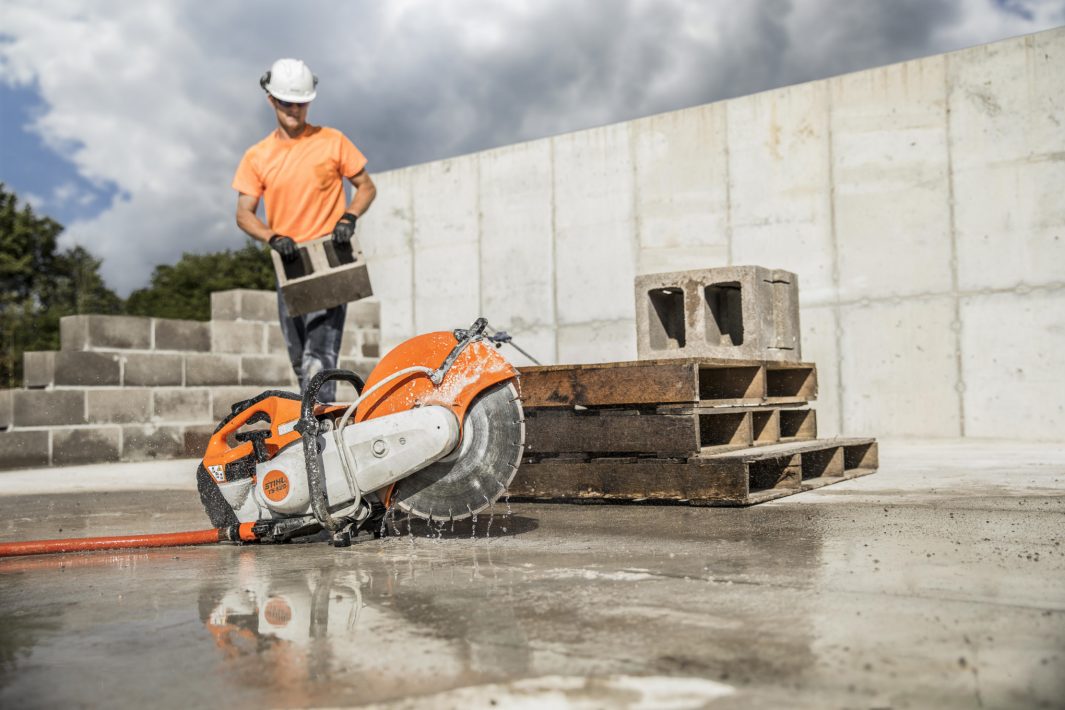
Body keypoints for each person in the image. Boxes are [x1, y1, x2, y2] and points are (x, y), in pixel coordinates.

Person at [232, 58, 376, 402]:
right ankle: (313, 422)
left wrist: (349, 217)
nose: (295, 110)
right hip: (290, 260)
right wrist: (272, 237)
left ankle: (318, 437)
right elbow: (243, 214)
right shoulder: (258, 156)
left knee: (319, 355)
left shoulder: (333, 141)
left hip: (329, 257)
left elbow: (366, 186)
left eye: (301, 103)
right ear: (272, 101)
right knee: (299, 359)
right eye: (287, 103)